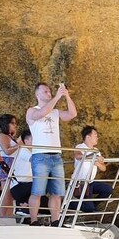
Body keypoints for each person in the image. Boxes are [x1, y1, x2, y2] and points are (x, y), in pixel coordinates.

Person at [25, 82, 76, 226]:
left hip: (56, 155)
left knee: (57, 191)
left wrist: (66, 96)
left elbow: (72, 114)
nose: (49, 93)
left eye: (50, 91)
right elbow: (41, 113)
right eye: (45, 91)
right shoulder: (31, 110)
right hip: (40, 155)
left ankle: (55, 221)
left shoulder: (55, 111)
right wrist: (57, 97)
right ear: (37, 94)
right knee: (37, 191)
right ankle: (34, 221)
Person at [70, 125, 113, 213]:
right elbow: (78, 156)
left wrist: (96, 162)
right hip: (80, 182)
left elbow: (103, 168)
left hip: (90, 182)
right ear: (88, 137)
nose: (97, 137)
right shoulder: (80, 147)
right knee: (88, 208)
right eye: (95, 135)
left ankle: (92, 205)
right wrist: (93, 158)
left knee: (108, 189)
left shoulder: (96, 150)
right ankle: (67, 203)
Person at [8, 129, 35, 209]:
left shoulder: (32, 151)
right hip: (20, 186)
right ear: (26, 141)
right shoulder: (23, 150)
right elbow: (35, 160)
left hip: (27, 185)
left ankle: (23, 206)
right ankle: (22, 206)